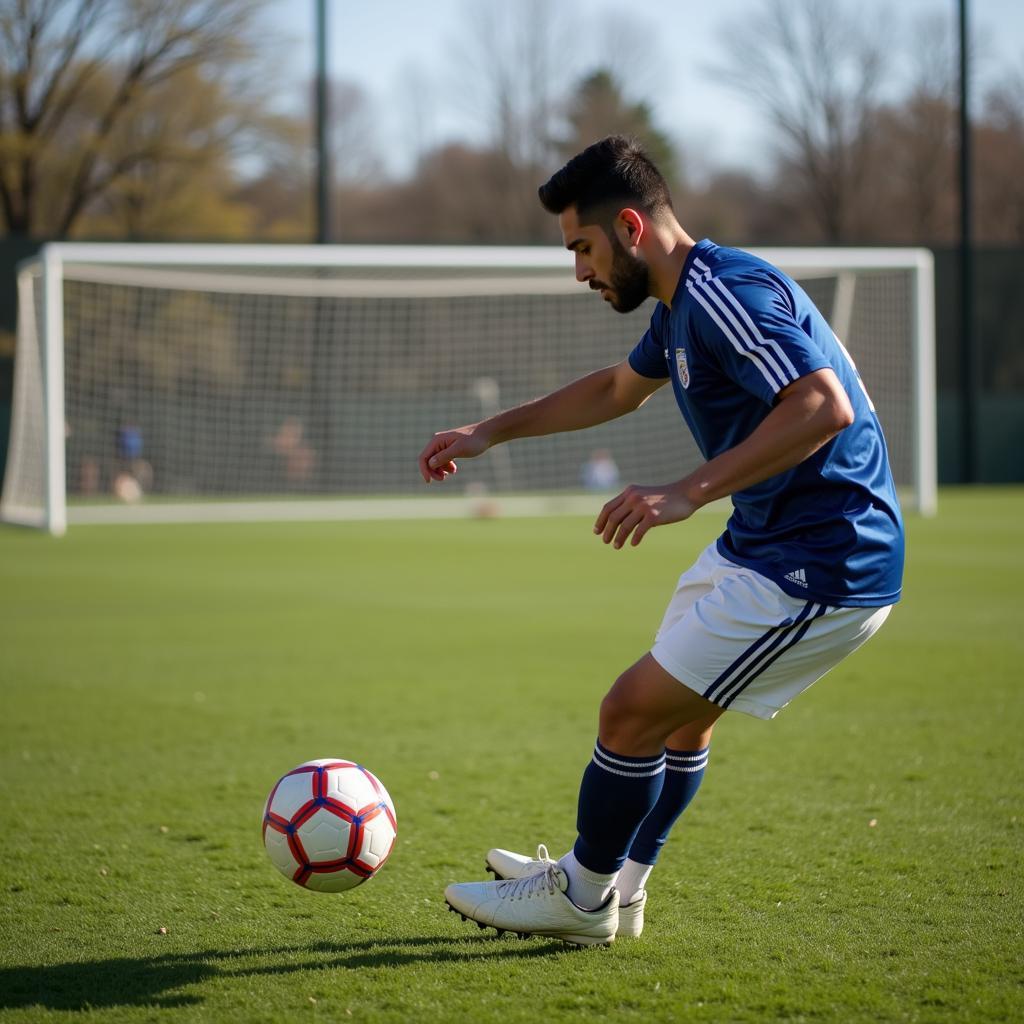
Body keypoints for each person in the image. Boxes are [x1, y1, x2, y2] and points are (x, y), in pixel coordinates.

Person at [416, 136, 903, 947]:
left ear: (631, 227)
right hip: (763, 545)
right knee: (677, 721)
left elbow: (823, 407)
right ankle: (620, 890)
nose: (579, 270)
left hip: (823, 567)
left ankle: (578, 897)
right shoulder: (687, 301)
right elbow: (616, 388)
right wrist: (487, 432)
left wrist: (687, 490)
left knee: (629, 711)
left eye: (583, 247)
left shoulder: (722, 293)